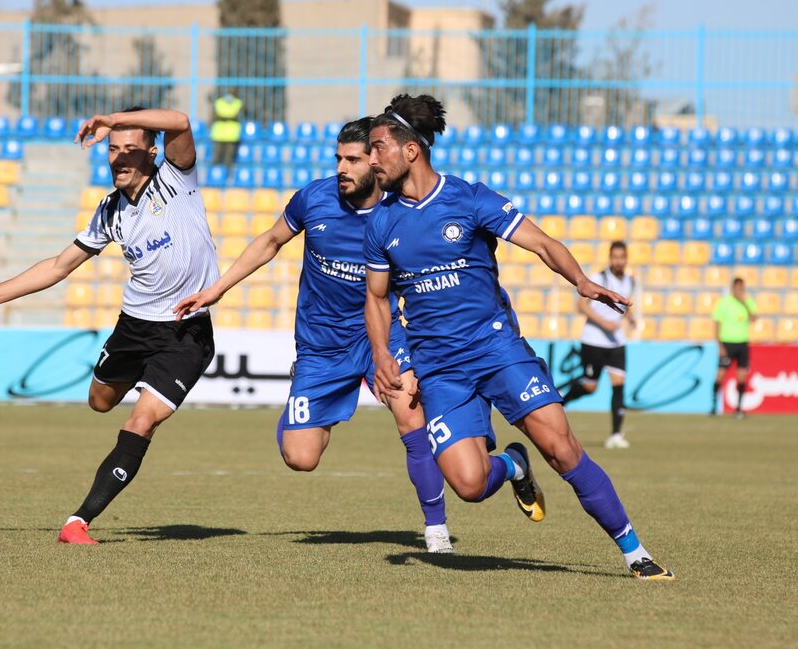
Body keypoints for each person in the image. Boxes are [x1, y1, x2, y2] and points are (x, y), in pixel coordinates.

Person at [362, 93, 674, 580]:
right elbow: (377, 299)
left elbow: (542, 243)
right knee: (468, 483)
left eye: (378, 148)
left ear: (410, 150)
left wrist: (583, 282)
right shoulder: (380, 222)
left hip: (496, 348)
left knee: (563, 449)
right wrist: (383, 354)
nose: (370, 159)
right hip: (439, 368)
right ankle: (512, 465)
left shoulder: (469, 198)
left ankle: (635, 553)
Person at [174, 118, 453, 553]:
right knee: (301, 458)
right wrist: (216, 290)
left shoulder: (401, 211)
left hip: (380, 336)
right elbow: (269, 241)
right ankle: (302, 399)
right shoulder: (315, 198)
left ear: (377, 160)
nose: (342, 168)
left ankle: (436, 529)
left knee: (410, 415)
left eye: (353, 160)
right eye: (338, 158)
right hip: (321, 345)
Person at [0, 106, 219, 545]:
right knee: (99, 401)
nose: (118, 157)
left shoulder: (177, 179)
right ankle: (137, 383)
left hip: (185, 333)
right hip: (134, 327)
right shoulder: (110, 211)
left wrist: (110, 119)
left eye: (130, 149)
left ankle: (78, 521)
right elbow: (60, 265)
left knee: (142, 421)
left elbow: (181, 121)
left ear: (153, 153)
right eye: (113, 149)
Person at [561, 241, 638, 448]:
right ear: (610, 257)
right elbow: (581, 305)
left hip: (617, 342)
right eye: (615, 257)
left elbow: (624, 302)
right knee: (590, 386)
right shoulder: (598, 278)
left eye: (622, 257)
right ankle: (562, 400)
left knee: (619, 386)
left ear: (626, 258)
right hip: (594, 341)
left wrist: (630, 318)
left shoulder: (630, 280)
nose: (618, 261)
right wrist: (604, 323)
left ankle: (616, 435)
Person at [711, 277, 757, 418]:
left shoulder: (747, 301)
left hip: (742, 343)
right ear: (733, 288)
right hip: (727, 343)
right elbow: (717, 323)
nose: (739, 291)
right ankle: (713, 406)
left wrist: (745, 304)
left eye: (741, 288)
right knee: (720, 375)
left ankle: (738, 408)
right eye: (737, 288)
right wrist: (720, 345)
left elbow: (754, 318)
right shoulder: (724, 303)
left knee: (742, 376)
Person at [210, 89, 243, 169]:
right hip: (219, 134)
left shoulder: (238, 103)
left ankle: (227, 176)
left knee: (228, 159)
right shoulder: (219, 103)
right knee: (216, 158)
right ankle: (216, 175)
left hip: (231, 135)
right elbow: (213, 116)